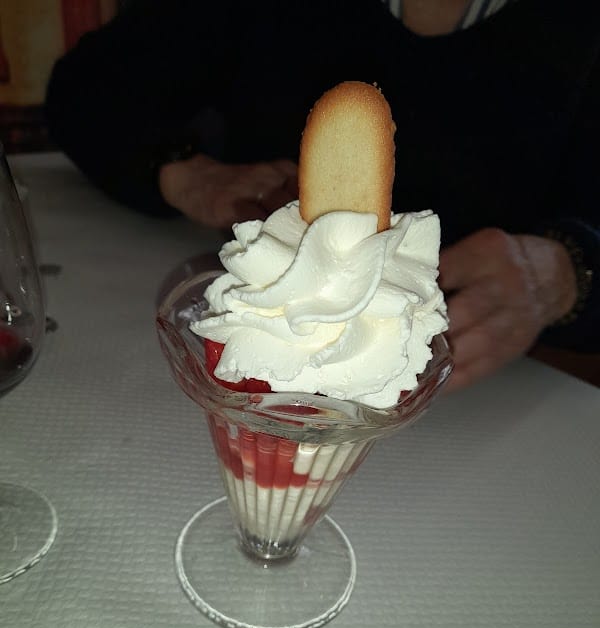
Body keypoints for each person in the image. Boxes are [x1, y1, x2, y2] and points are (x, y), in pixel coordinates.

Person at [44, 0, 600, 391]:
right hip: (264, 352)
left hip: (485, 396)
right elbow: (85, 91)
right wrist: (186, 174)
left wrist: (565, 271)